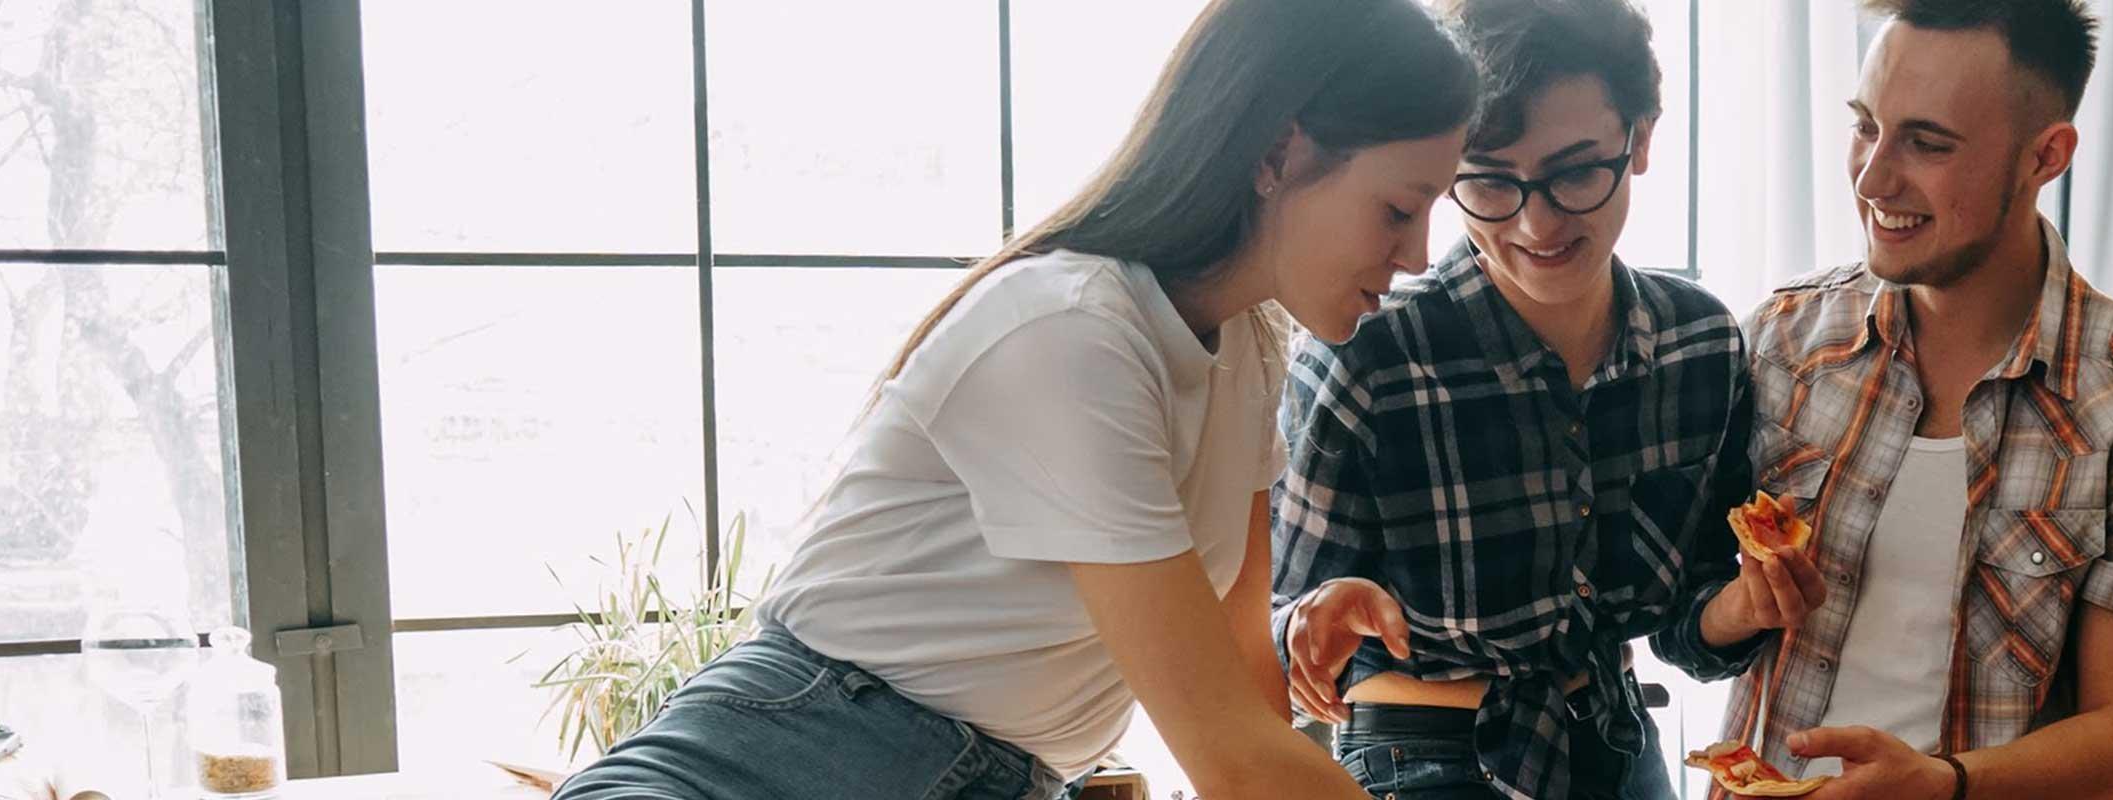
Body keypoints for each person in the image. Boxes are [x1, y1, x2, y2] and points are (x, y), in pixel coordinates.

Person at [548, 0, 1471, 797]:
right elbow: (1233, 757)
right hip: (774, 764)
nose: (1420, 255)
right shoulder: (1071, 331)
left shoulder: (1250, 354)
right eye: (1399, 208)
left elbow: (1242, 699)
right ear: (1279, 152)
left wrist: (1296, 650)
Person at [1268, 1, 1828, 798]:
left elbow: (1685, 620)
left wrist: (1744, 605)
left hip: (1613, 743)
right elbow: (1278, 619)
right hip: (1419, 756)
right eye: (1489, 180)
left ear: (1641, 140)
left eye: (1573, 172)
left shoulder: (1698, 342)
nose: (1536, 222)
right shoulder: (1365, 347)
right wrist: (1303, 627)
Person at [1718, 1, 2113, 798]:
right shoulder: (1782, 345)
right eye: (1865, 125)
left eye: (1926, 142)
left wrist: (1942, 784)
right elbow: (1689, 622)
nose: (1873, 176)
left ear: (2045, 156)